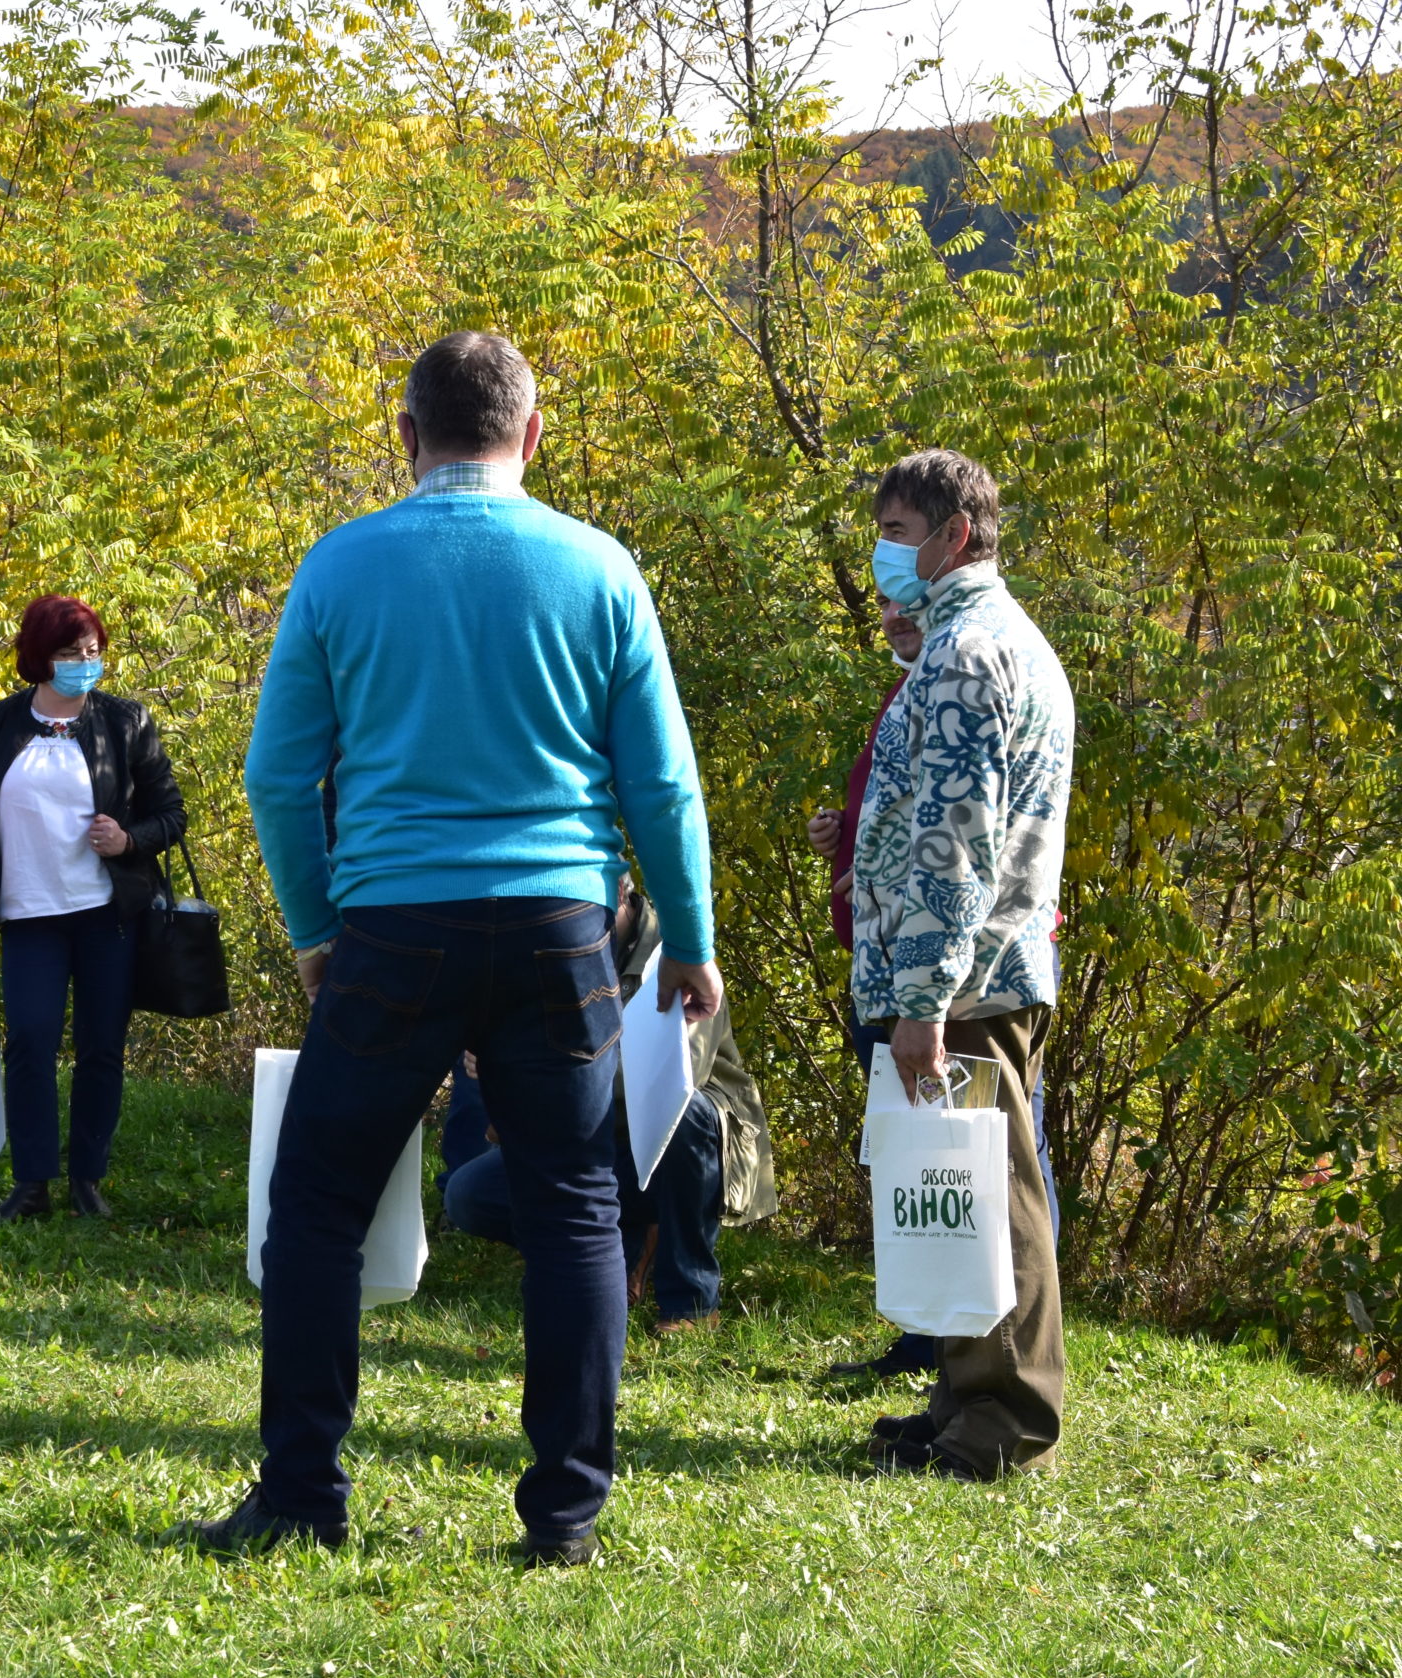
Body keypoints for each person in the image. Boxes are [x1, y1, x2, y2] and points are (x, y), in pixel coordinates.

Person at [195, 331, 721, 1564]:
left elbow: (278, 776)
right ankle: (565, 1519)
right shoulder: (600, 568)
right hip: (559, 935)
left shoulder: (342, 564)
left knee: (318, 1206)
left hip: (393, 929)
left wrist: (316, 929)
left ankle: (302, 1498)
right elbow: (661, 783)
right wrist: (689, 937)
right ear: (534, 436)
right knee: (577, 1212)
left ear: (405, 431)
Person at [850, 448, 1073, 1479]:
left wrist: (921, 1000)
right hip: (983, 966)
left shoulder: (968, 653)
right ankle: (959, 1400)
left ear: (955, 537)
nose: (882, 554)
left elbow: (954, 839)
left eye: (897, 533)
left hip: (967, 977)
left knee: (995, 1195)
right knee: (960, 1189)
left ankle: (1005, 1420)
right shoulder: (972, 642)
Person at [442, 880, 774, 1333]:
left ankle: (691, 1303)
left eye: (578, 906)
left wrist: (537, 1074)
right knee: (470, 1195)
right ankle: (616, 1252)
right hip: (595, 1140)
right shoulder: (555, 945)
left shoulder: (678, 951)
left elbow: (672, 1081)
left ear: (622, 893)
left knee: (688, 1113)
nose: (567, 920)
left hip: (682, 1147)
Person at [0, 595, 186, 1222]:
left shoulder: (126, 723)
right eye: (68, 654)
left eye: (92, 653)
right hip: (28, 915)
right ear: (38, 658)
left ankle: (88, 1178)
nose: (84, 665)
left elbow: (172, 813)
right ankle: (31, 1183)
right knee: (29, 1042)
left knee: (101, 1047)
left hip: (106, 914)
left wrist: (130, 839)